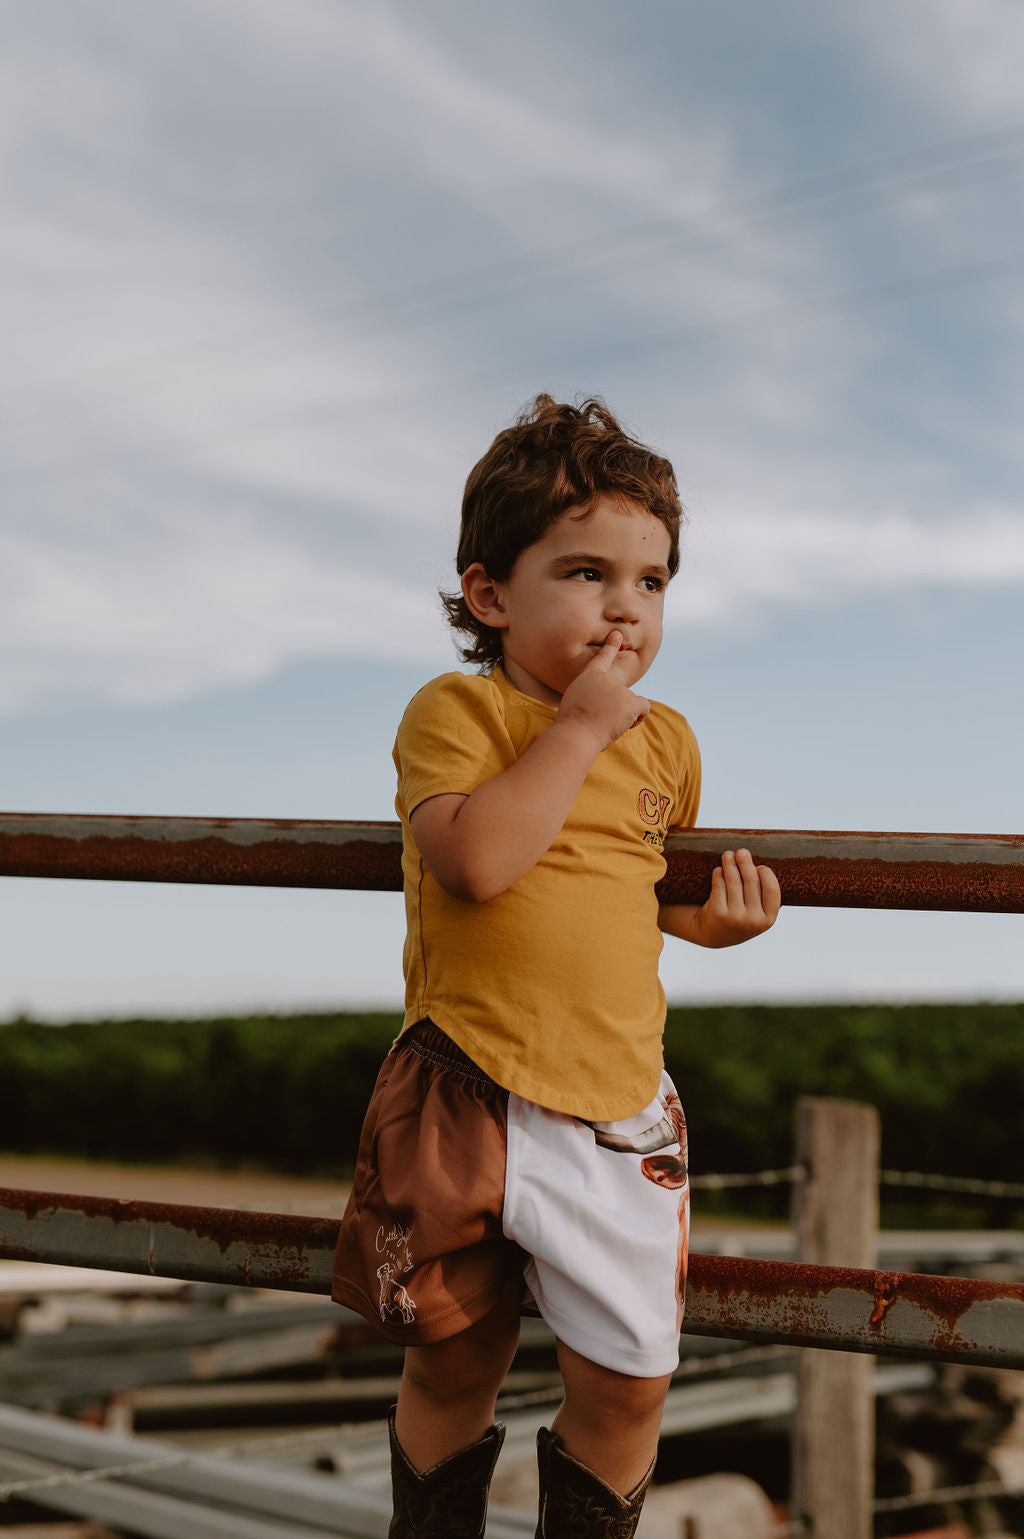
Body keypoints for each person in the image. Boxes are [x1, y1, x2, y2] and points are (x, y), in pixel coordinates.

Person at [332, 394, 781, 1538]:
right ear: (489, 594)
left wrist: (705, 924)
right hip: (461, 1086)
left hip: (612, 1096)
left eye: (652, 581)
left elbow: (622, 888)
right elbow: (479, 863)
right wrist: (576, 729)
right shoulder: (459, 712)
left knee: (630, 1380)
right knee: (450, 1360)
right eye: (585, 573)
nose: (624, 608)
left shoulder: (668, 742)